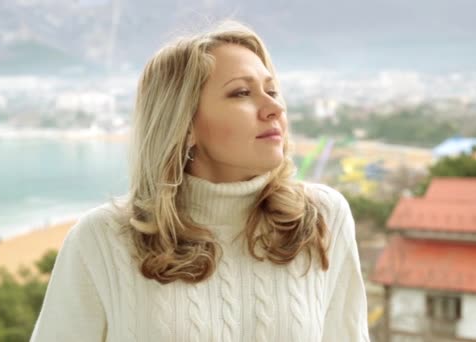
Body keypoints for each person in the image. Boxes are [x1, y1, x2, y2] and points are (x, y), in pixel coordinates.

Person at [31, 20, 369, 342]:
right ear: (185, 124)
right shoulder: (101, 239)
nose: (273, 108)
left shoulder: (323, 217)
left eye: (272, 90)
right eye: (240, 93)